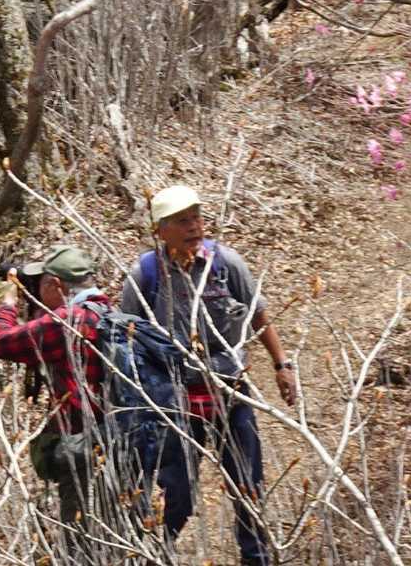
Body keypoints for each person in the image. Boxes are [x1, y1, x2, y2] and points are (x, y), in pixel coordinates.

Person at [120, 185, 298, 566]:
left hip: (230, 390)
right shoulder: (145, 275)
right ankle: (157, 552)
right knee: (177, 492)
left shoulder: (225, 264)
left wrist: (282, 365)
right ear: (160, 230)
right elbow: (127, 335)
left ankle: (256, 558)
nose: (194, 227)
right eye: (182, 221)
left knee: (248, 484)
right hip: (175, 399)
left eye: (197, 218)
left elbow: (257, 313)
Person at [0, 243, 114, 560]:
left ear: (55, 284)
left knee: (79, 542)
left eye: (42, 284)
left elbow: (1, 342)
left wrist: (7, 304)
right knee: (114, 533)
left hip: (82, 446)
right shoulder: (109, 312)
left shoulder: (65, 323)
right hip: (119, 441)